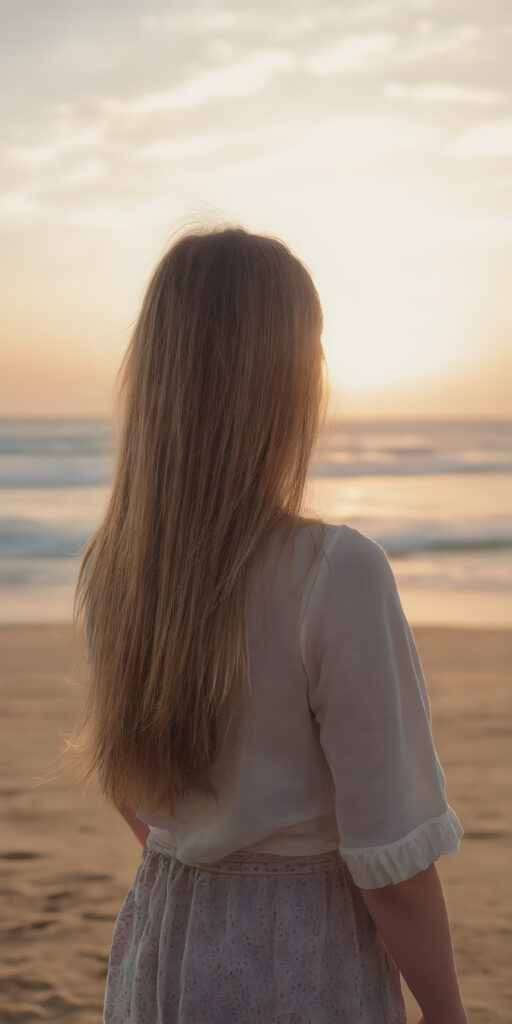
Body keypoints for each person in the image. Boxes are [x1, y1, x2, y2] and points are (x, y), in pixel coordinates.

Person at [73, 223, 468, 1023]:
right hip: (300, 959)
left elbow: (131, 785)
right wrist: (449, 1014)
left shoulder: (116, 570)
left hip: (166, 940)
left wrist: (210, 868)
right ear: (285, 379)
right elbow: (391, 865)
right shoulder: (334, 573)